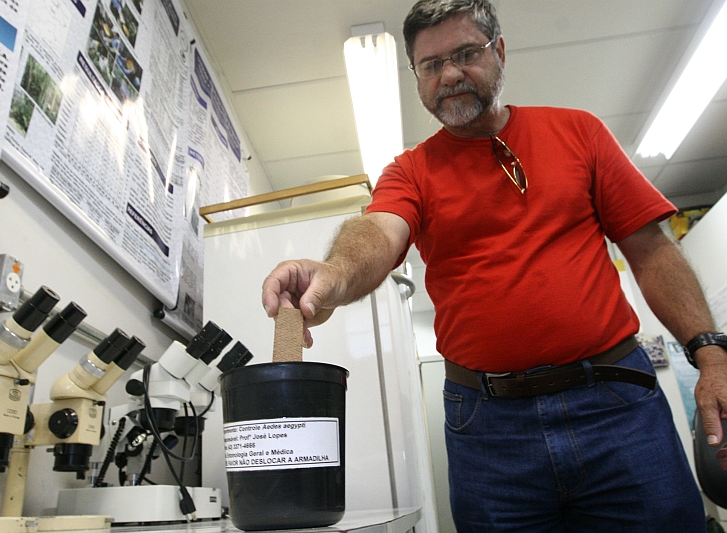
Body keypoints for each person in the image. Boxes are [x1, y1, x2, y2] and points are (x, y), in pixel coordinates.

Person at [261, 1, 727, 531]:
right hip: (488, 428)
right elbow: (379, 230)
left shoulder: (579, 132)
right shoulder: (411, 171)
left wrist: (710, 354)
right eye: (432, 65)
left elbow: (653, 249)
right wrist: (334, 275)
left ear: (499, 51)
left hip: (616, 407)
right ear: (417, 77)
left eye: (465, 54)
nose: (450, 75)